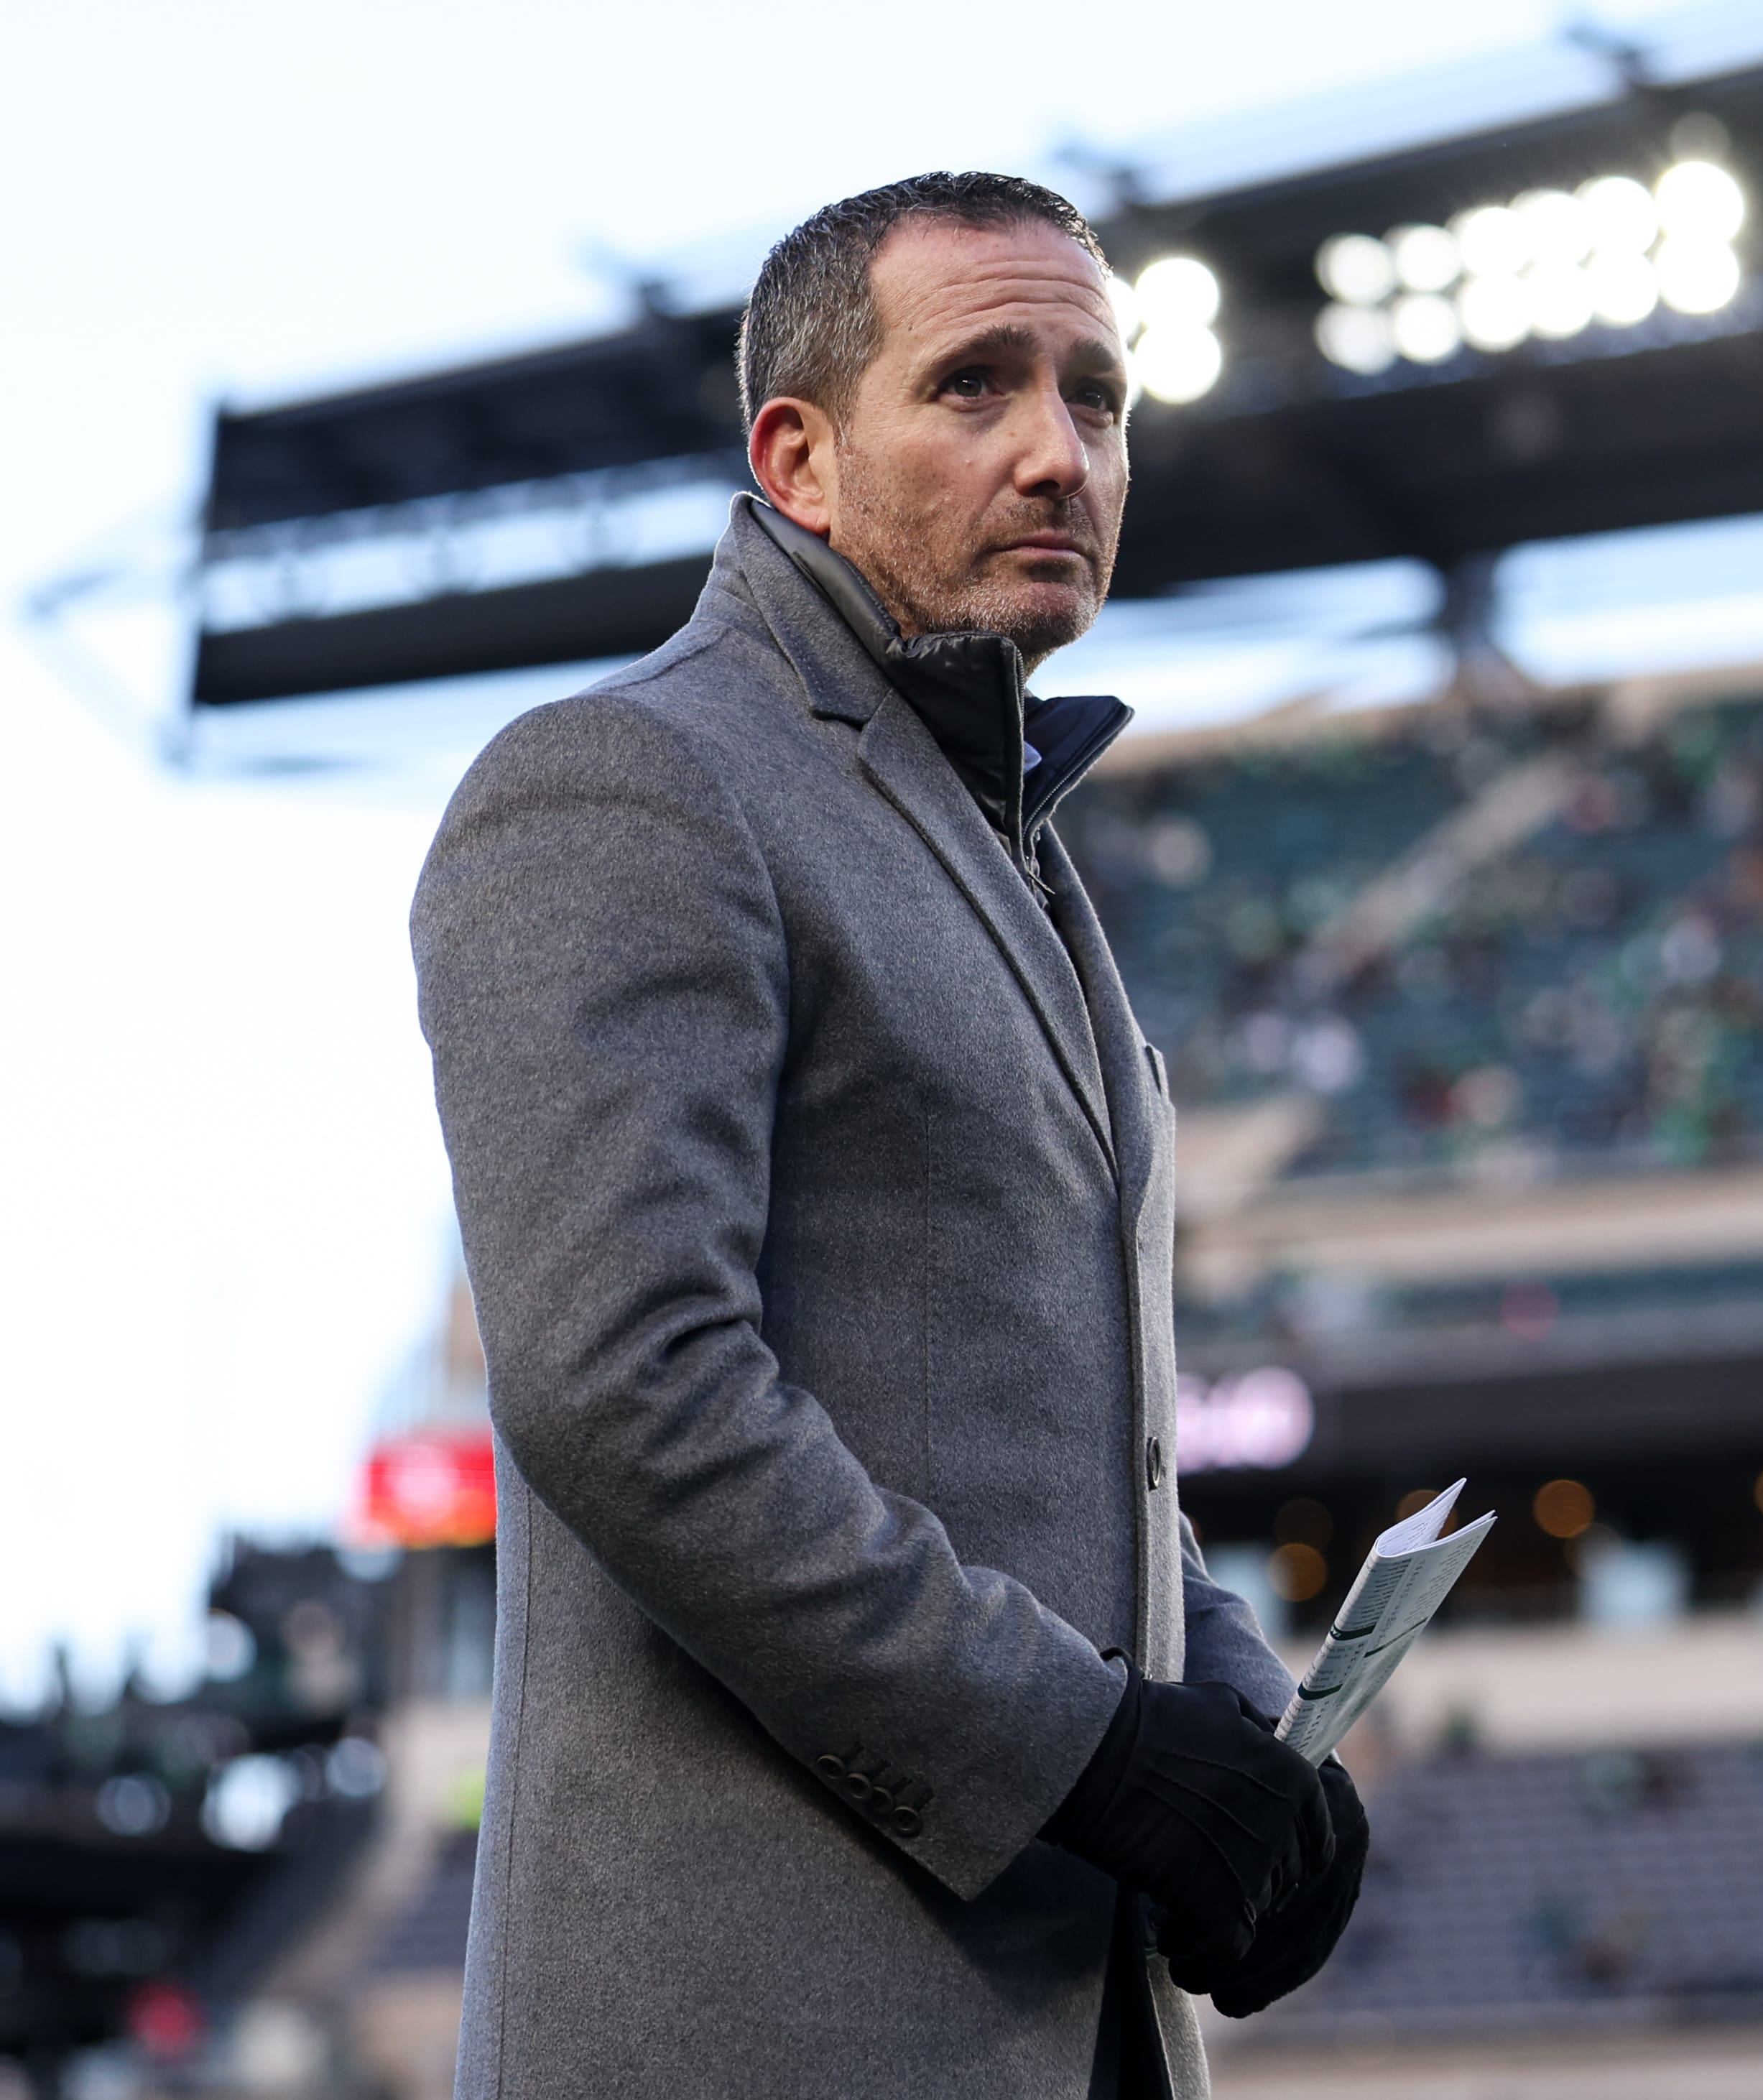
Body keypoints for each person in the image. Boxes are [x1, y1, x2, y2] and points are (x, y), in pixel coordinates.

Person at [412, 172, 1367, 2099]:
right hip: (768, 2025)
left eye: (1096, 399)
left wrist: (1245, 1739)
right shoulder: (632, 781)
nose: (1056, 452)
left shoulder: (1009, 853)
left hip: (1053, 2020)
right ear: (799, 459)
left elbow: (1063, 1440)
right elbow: (626, 1385)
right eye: (975, 387)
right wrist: (1094, 1756)